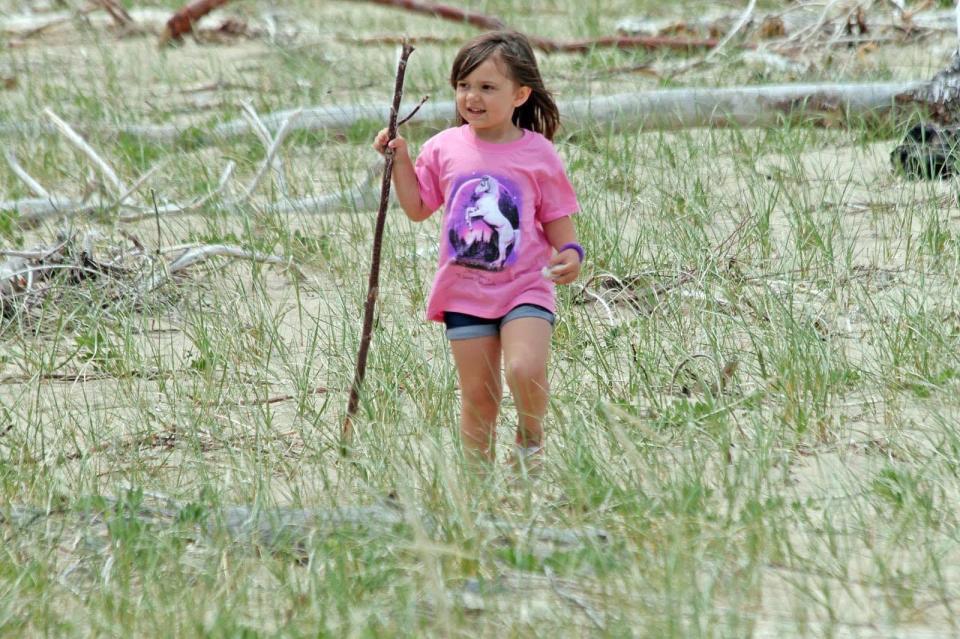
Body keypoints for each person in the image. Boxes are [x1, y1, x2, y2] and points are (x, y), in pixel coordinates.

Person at [372, 30, 583, 471]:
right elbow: (417, 207)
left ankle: (530, 439)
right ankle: (477, 482)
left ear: (520, 94)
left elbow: (557, 216)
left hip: (526, 285)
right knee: (479, 398)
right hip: (465, 292)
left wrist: (571, 252)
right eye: (464, 86)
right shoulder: (445, 147)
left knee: (524, 370)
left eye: (487, 87)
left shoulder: (538, 153)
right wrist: (400, 160)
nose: (473, 97)